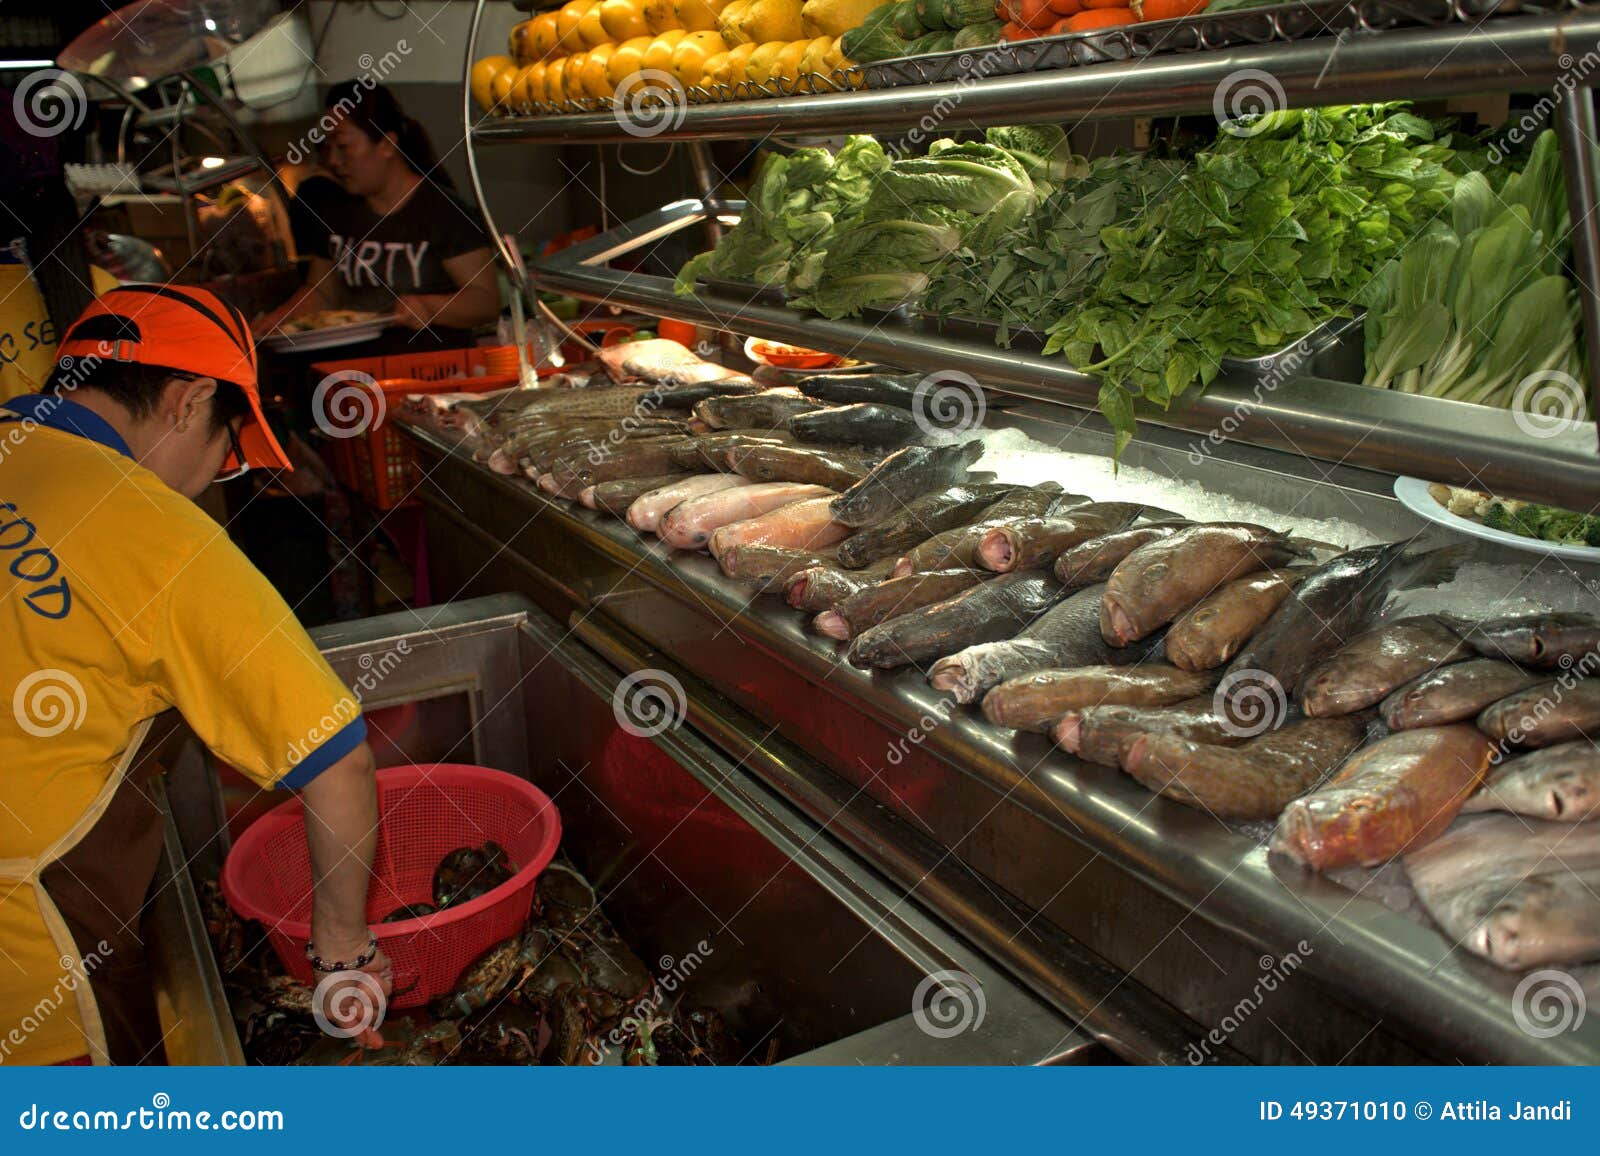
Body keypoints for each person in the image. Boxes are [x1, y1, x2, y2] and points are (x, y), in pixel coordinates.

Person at [0, 284, 392, 1065]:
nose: (210, 480)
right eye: (226, 448)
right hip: (28, 956)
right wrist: (343, 953)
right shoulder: (154, 529)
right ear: (188, 401)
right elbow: (338, 763)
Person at [253, 82, 500, 351]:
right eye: (326, 148)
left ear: (387, 144)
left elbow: (485, 302)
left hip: (433, 365)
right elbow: (322, 290)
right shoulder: (336, 209)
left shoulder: (444, 213)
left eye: (343, 146)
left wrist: (428, 307)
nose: (334, 161)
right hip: (359, 370)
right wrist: (278, 320)